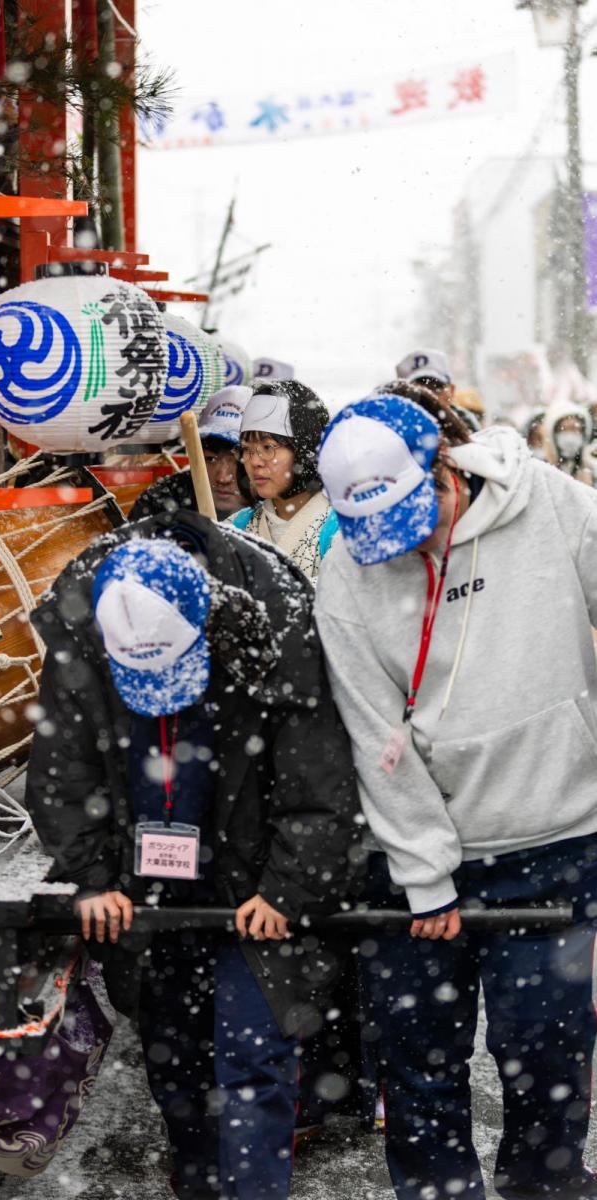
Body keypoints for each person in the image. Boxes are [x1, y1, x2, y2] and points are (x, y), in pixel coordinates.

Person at [314, 384, 597, 1200]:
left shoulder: (545, 501)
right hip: (413, 858)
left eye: (416, 516)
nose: (411, 545)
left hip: (555, 835)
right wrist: (424, 870)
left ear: (443, 468)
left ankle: (543, 1185)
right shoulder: (348, 566)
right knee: (419, 1070)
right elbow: (370, 734)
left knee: (547, 1058)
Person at [25, 510, 360, 1200]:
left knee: (253, 1057)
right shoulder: (80, 625)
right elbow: (62, 768)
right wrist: (89, 878)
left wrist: (286, 889)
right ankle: (198, 1178)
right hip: (142, 880)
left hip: (251, 878)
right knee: (171, 1054)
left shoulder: (274, 613)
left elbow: (316, 776)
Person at [230, 380, 338, 582]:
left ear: (304, 450)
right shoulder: (236, 526)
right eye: (246, 449)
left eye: (268, 447)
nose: (254, 461)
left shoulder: (339, 529)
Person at [128, 386, 251, 521]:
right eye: (210, 459)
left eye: (238, 462)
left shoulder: (273, 509)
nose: (222, 478)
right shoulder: (159, 503)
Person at [543, 399, 596, 486]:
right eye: (565, 429)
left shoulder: (592, 471)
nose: (570, 435)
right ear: (553, 434)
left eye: (575, 429)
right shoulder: (542, 470)